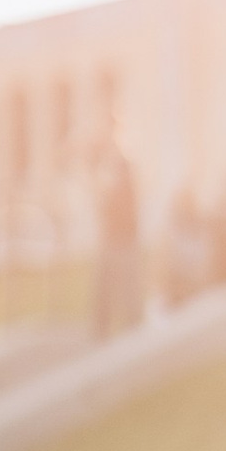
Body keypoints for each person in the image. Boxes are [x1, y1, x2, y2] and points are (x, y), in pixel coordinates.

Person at [91, 139, 143, 339]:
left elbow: (110, 213)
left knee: (120, 288)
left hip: (120, 244)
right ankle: (106, 326)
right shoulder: (120, 189)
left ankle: (127, 325)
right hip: (118, 243)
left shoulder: (124, 190)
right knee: (110, 289)